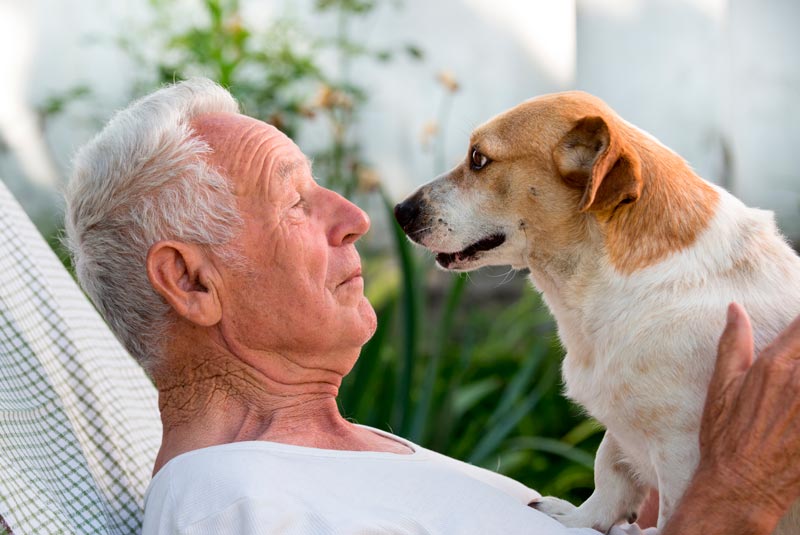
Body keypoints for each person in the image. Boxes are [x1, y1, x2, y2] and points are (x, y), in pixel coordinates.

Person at [63, 78, 800, 535]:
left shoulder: (347, 460)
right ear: (191, 282)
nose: (354, 214)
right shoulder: (234, 502)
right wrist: (736, 497)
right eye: (295, 200)